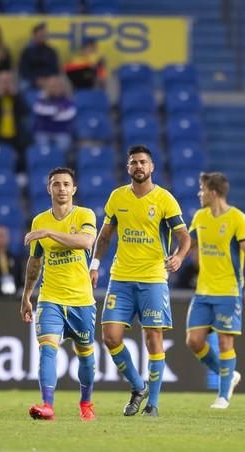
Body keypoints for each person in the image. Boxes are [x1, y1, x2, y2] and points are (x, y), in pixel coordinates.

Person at [89, 145, 191, 417]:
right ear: (128, 168)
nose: (138, 166)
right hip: (120, 278)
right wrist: (95, 265)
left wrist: (180, 257)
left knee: (153, 337)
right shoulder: (117, 197)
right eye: (133, 162)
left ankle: (153, 404)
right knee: (110, 337)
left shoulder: (165, 199)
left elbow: (184, 237)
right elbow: (104, 235)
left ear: (152, 167)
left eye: (143, 162)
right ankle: (138, 386)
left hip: (153, 279)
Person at [20, 167, 98, 421]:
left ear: (74, 189)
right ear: (49, 189)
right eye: (56, 184)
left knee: (85, 354)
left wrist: (49, 233)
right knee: (47, 350)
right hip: (50, 297)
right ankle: (48, 406)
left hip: (81, 300)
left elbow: (86, 242)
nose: (62, 188)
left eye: (66, 184)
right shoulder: (39, 221)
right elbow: (35, 262)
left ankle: (86, 403)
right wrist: (27, 296)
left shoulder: (85, 214)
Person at [186, 172, 245, 409]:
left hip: (228, 291)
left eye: (202, 189)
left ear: (213, 193)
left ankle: (223, 396)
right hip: (203, 291)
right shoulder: (199, 217)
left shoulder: (238, 219)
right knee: (194, 340)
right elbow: (189, 244)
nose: (199, 193)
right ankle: (229, 375)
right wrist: (175, 258)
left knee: (226, 343)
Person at [0, 71, 30, 154]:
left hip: (16, 137)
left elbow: (25, 112)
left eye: (8, 81)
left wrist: (16, 96)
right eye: (3, 82)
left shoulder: (18, 96)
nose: (6, 85)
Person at [32, 75, 76, 154]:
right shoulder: (42, 98)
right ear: (47, 87)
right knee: (43, 149)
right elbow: (39, 110)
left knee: (63, 147)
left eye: (59, 86)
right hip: (43, 131)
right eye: (53, 86)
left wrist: (49, 113)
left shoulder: (67, 100)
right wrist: (57, 109)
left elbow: (67, 115)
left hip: (61, 131)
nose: (56, 88)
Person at [19, 23, 61, 89]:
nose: (42, 36)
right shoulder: (27, 51)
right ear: (34, 35)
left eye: (44, 35)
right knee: (22, 85)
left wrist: (46, 79)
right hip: (31, 80)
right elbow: (23, 70)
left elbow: (55, 70)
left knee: (58, 83)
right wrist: (35, 80)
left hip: (49, 80)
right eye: (40, 34)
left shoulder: (51, 51)